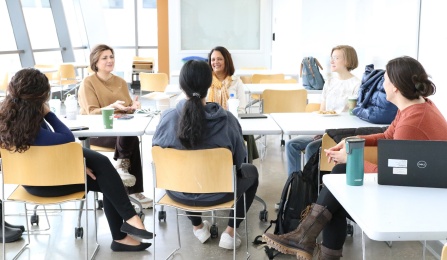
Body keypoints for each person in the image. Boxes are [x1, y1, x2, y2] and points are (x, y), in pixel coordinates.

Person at [263, 56, 447, 260]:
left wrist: (351, 159)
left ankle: (304, 237)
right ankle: (304, 238)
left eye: (384, 79)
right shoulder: (416, 106)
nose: (382, 84)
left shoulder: (412, 122)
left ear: (395, 86)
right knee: (337, 192)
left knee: (337, 194)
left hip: (415, 204)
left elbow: (392, 177)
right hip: (418, 189)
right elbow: (387, 136)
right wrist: (354, 139)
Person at [0, 68, 154, 251]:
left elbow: (48, 154)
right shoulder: (36, 129)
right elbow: (66, 139)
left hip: (30, 183)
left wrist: (77, 166)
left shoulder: (7, 124)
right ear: (41, 98)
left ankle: (125, 231)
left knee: (104, 174)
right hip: (53, 184)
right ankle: (125, 229)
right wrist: (48, 113)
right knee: (106, 174)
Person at [152, 60, 259, 249]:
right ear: (209, 84)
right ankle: (230, 233)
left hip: (178, 192)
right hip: (220, 192)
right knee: (252, 172)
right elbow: (239, 162)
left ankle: (198, 227)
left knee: (185, 173)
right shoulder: (227, 120)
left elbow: (158, 157)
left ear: (181, 86)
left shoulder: (167, 118)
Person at [78, 44, 152, 208]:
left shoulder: (120, 81)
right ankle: (132, 189)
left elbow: (126, 107)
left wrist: (133, 106)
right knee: (130, 138)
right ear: (95, 62)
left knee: (130, 133)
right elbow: (90, 112)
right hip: (97, 132)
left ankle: (122, 167)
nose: (109, 60)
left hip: (119, 132)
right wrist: (111, 107)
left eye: (111, 57)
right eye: (104, 58)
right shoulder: (88, 83)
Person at [286, 45, 360, 176]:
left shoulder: (357, 84)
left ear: (348, 61)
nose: (332, 61)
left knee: (311, 148)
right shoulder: (330, 82)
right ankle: (295, 186)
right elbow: (323, 110)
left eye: (336, 58)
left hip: (340, 135)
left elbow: (353, 116)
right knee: (291, 145)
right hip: (324, 131)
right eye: (331, 58)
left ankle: (311, 188)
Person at [207, 46, 259, 163]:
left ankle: (243, 170)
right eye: (213, 59)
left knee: (246, 133)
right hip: (210, 123)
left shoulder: (236, 81)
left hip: (230, 123)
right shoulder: (206, 81)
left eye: (219, 59)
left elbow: (241, 108)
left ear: (226, 60)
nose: (215, 62)